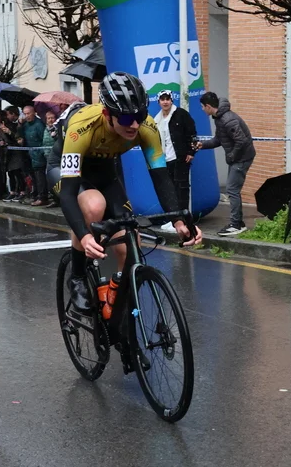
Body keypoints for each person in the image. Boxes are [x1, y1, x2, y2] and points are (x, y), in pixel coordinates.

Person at [59, 72, 201, 313]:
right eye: (126, 118)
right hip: (70, 173)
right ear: (107, 114)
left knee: (129, 242)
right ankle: (78, 276)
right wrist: (84, 236)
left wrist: (179, 220)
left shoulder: (147, 128)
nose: (134, 124)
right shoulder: (81, 128)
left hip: (105, 171)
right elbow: (68, 193)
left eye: (139, 116)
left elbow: (161, 178)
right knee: (94, 206)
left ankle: (118, 304)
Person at [197, 91, 256, 236]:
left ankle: (236, 224)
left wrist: (231, 155)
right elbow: (218, 140)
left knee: (232, 189)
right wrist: (202, 145)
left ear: (208, 106)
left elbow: (241, 141)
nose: (202, 110)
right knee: (233, 189)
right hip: (237, 158)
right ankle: (238, 222)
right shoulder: (219, 117)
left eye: (202, 107)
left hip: (242, 158)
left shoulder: (227, 119)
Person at [154, 90, 197, 230]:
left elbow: (192, 133)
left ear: (172, 100)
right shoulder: (157, 119)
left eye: (168, 99)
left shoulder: (181, 114)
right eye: (162, 99)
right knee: (171, 190)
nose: (165, 102)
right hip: (165, 159)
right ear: (159, 102)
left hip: (180, 157)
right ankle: (175, 219)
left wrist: (191, 152)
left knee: (181, 188)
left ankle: (184, 220)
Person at [20, 105, 49, 206]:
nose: (26, 116)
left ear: (34, 113)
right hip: (29, 154)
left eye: (28, 113)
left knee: (40, 177)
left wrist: (40, 153)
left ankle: (42, 197)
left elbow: (43, 140)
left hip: (39, 154)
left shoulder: (39, 124)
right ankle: (34, 195)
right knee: (33, 177)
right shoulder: (25, 125)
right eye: (25, 114)